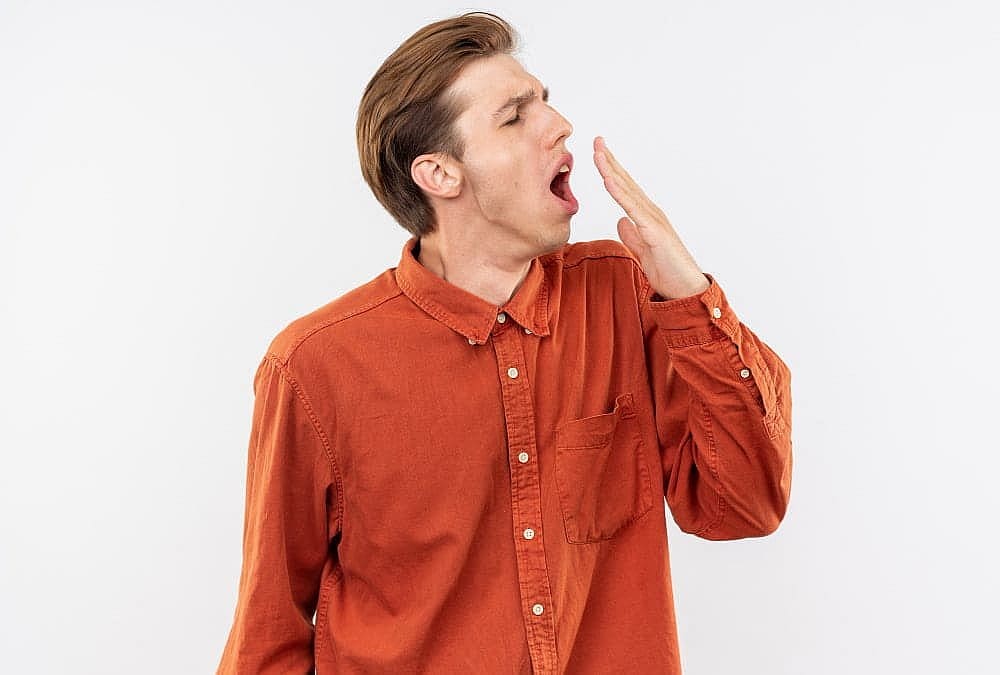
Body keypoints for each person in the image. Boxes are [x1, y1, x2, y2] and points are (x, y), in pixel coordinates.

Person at [216, 11, 793, 674]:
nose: (560, 124)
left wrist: (690, 297)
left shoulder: (626, 293)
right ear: (440, 174)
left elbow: (744, 505)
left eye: (544, 101)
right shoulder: (315, 365)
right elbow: (267, 635)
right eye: (515, 117)